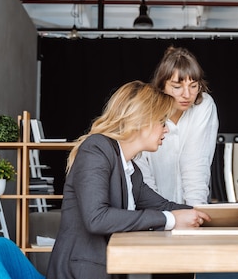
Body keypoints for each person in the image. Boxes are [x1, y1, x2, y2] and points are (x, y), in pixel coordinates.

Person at [46, 81, 211, 279]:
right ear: (143, 120)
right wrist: (172, 219)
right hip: (82, 273)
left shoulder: (131, 169)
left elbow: (163, 205)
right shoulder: (96, 149)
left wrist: (217, 217)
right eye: (162, 122)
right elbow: (96, 219)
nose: (166, 130)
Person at [134, 46, 219, 206]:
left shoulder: (204, 105)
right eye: (177, 87)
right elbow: (142, 169)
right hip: (153, 209)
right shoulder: (147, 110)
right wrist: (160, 212)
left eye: (193, 86)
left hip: (192, 207)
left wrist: (194, 213)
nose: (186, 95)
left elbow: (196, 162)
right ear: (162, 85)